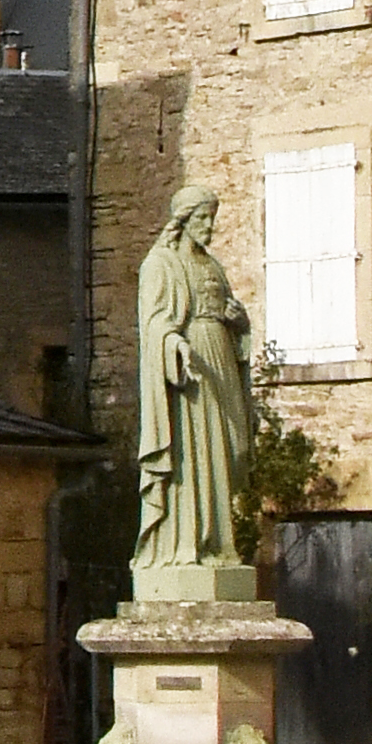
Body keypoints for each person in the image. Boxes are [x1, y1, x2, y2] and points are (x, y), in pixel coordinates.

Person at [130, 176, 256, 598]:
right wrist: (174, 343)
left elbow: (231, 315)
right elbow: (152, 322)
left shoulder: (212, 265)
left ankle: (219, 543)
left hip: (219, 360)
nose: (210, 226)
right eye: (203, 218)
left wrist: (239, 324)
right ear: (183, 221)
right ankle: (185, 545)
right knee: (192, 455)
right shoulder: (160, 264)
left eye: (212, 218)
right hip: (187, 371)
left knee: (227, 451)